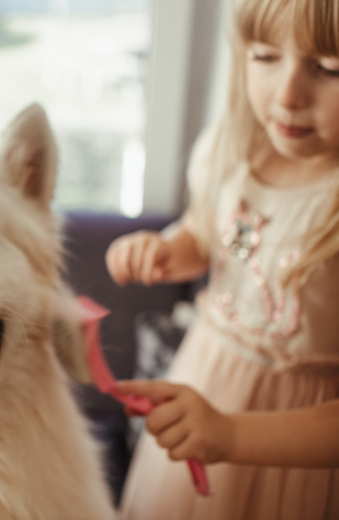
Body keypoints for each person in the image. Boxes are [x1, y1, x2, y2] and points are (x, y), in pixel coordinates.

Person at [105, 0, 339, 518]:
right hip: (202, 381)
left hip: (289, 449)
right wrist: (168, 251)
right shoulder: (231, 150)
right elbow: (208, 236)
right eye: (264, 56)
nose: (288, 95)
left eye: (329, 68)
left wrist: (233, 433)